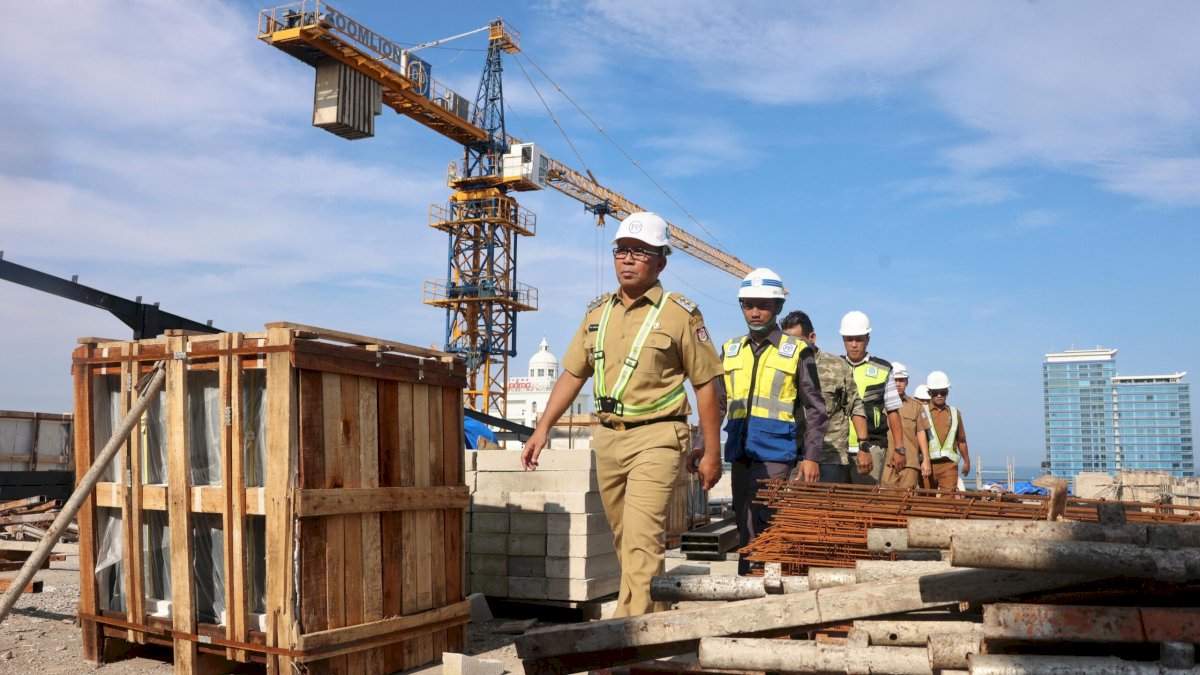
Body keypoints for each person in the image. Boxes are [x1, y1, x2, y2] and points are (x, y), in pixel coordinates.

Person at [521, 212, 723, 617]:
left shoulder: (680, 314)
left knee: (642, 540)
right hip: (609, 438)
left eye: (640, 252)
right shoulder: (598, 313)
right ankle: (656, 625)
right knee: (623, 539)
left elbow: (706, 384)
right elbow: (573, 373)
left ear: (661, 262)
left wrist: (712, 450)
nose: (628, 259)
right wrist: (543, 427)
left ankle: (627, 638)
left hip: (659, 437)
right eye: (622, 250)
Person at [711, 268, 828, 575]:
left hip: (776, 452)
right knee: (743, 518)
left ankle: (767, 584)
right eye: (749, 304)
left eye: (763, 305)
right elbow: (716, 404)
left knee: (766, 518)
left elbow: (815, 408)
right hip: (739, 451)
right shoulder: (730, 350)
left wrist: (811, 457)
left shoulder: (797, 352)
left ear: (777, 308)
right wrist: (704, 445)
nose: (755, 312)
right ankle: (749, 582)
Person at [781, 310, 866, 483]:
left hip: (829, 459)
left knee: (826, 509)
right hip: (790, 457)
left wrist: (863, 446)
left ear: (811, 337)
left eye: (797, 341)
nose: (792, 346)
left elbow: (855, 405)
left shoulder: (836, 366)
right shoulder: (779, 368)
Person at [839, 311, 905, 484]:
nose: (854, 345)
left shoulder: (883, 369)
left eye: (859, 339)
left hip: (872, 447)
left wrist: (899, 449)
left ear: (868, 339)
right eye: (849, 339)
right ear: (843, 339)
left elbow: (892, 411)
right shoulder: (833, 366)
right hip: (838, 447)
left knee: (864, 504)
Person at [921, 370, 970, 491]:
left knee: (948, 500)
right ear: (929, 393)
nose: (939, 395)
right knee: (925, 500)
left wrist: (967, 462)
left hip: (949, 465)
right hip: (927, 464)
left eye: (942, 392)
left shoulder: (955, 413)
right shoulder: (921, 412)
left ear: (947, 392)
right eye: (935, 393)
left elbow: (961, 440)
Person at [881, 362, 927, 488]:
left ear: (907, 382)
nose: (897, 384)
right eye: (894, 380)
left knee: (907, 502)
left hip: (910, 463)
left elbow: (921, 433)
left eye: (901, 380)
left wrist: (926, 460)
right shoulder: (879, 405)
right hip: (886, 463)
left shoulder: (916, 406)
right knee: (886, 502)